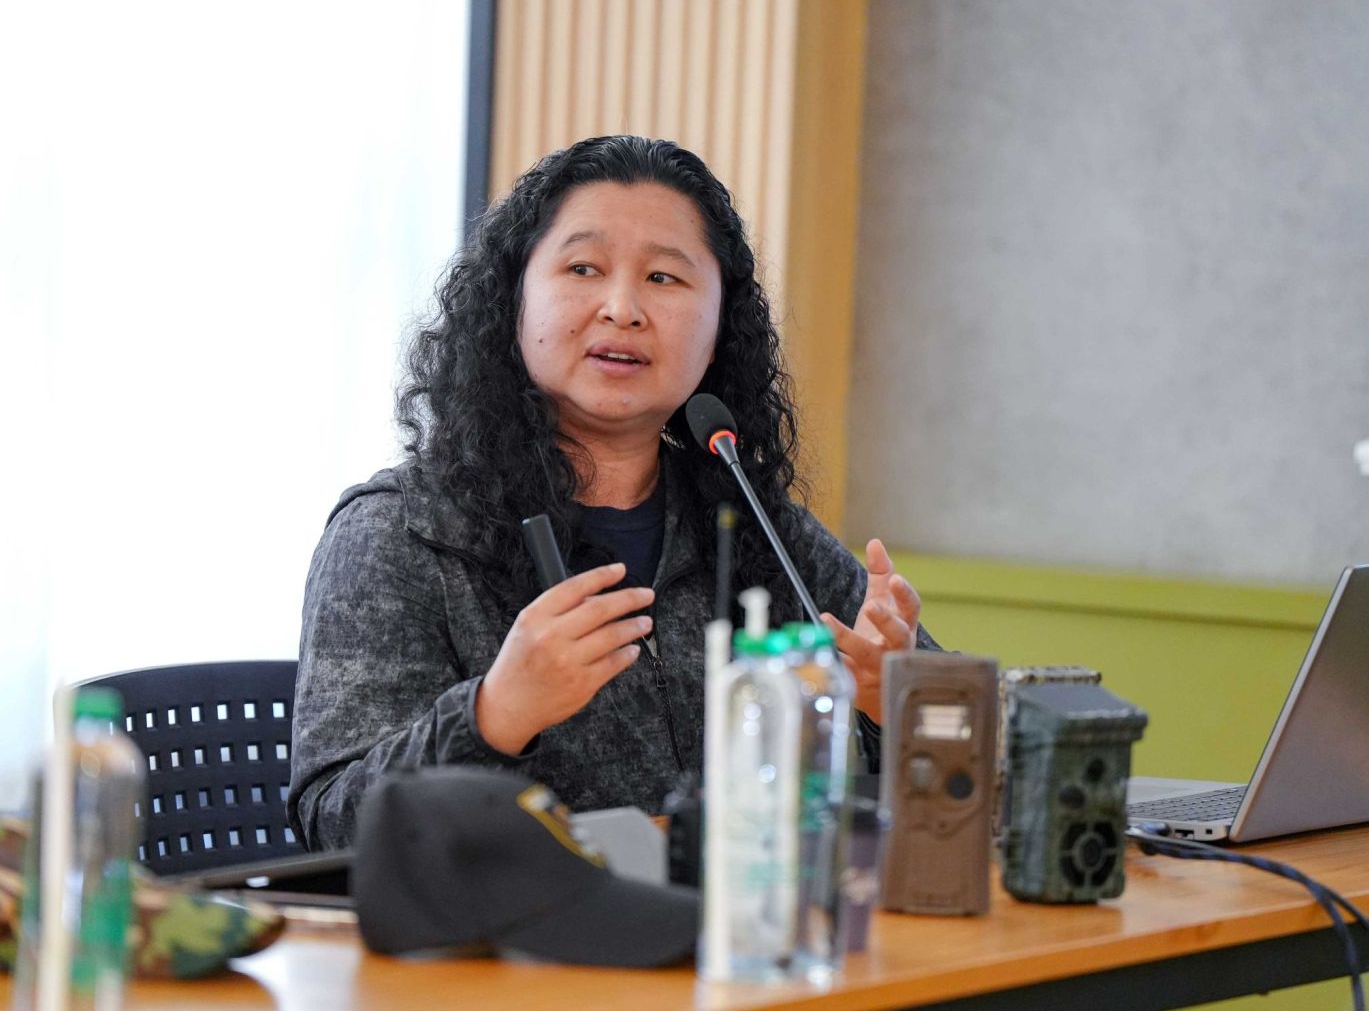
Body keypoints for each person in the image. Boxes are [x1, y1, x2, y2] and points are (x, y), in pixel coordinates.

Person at [288, 135, 936, 852]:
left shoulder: (754, 524)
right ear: (514, 299)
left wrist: (890, 702)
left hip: (743, 914)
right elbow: (333, 824)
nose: (623, 308)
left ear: (720, 327)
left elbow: (970, 765)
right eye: (583, 268)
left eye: (664, 277)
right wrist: (494, 714)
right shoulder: (399, 533)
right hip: (520, 923)